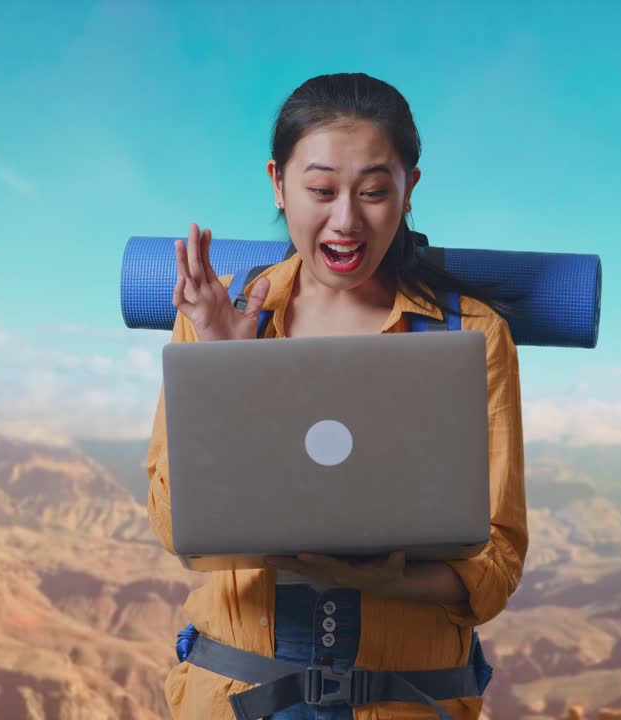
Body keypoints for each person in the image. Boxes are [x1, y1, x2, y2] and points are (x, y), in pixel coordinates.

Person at [146, 72, 527, 720]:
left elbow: (497, 558)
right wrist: (226, 364)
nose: (346, 220)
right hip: (235, 700)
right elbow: (177, 527)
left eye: (375, 191)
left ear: (409, 191)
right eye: (321, 190)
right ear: (278, 184)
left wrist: (396, 582)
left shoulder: (473, 337)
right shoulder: (215, 312)